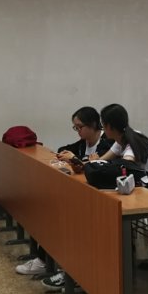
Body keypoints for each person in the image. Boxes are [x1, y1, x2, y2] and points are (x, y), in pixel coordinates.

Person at [17, 106, 113, 277]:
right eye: (75, 127)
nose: (78, 131)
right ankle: (45, 259)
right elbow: (64, 150)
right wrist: (69, 157)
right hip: (82, 191)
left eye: (80, 127)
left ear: (93, 124)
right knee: (50, 207)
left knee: (63, 214)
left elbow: (101, 169)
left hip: (101, 196)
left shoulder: (107, 143)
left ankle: (54, 263)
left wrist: (76, 160)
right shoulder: (84, 143)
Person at [92, 104, 148, 200]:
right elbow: (103, 159)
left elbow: (126, 164)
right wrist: (95, 162)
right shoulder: (126, 137)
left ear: (109, 126)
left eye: (103, 124)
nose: (102, 128)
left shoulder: (133, 142)